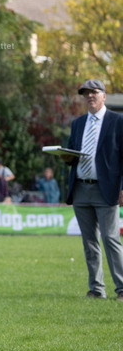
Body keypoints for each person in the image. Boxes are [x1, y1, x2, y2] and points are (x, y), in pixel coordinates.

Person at [63, 79, 123, 300]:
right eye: (86, 93)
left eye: (94, 92)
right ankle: (96, 289)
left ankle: (122, 288)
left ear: (104, 96)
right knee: (89, 242)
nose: (90, 96)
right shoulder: (78, 123)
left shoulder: (117, 121)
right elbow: (73, 154)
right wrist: (66, 156)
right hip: (81, 189)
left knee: (110, 239)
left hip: (107, 189)